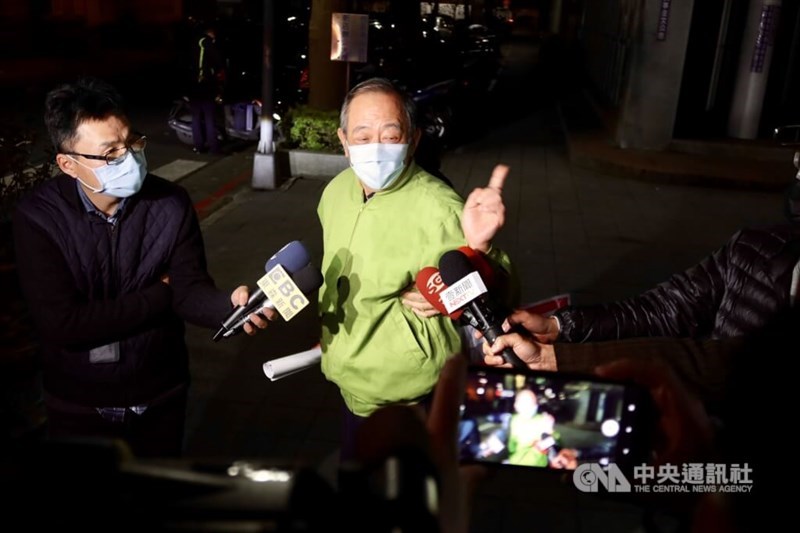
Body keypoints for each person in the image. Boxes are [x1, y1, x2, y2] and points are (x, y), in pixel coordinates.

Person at [12, 77, 270, 458]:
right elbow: (63, 325)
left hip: (160, 395)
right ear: (69, 164)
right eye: (111, 153)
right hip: (79, 403)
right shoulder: (37, 220)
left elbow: (189, 288)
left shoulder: (171, 202)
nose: (130, 158)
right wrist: (158, 294)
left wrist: (229, 307)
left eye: (131, 142)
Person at [316, 77, 513, 460]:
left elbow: (503, 289)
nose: (375, 147)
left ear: (414, 140)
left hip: (407, 395)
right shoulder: (335, 192)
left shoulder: (439, 206)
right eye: (362, 135)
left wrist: (481, 249)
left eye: (390, 136)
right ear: (343, 141)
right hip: (349, 382)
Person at [188, 22, 225, 154]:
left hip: (193, 86)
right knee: (209, 117)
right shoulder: (208, 43)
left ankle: (199, 146)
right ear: (211, 33)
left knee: (196, 118)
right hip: (206, 85)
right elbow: (218, 63)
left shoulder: (193, 43)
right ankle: (214, 147)